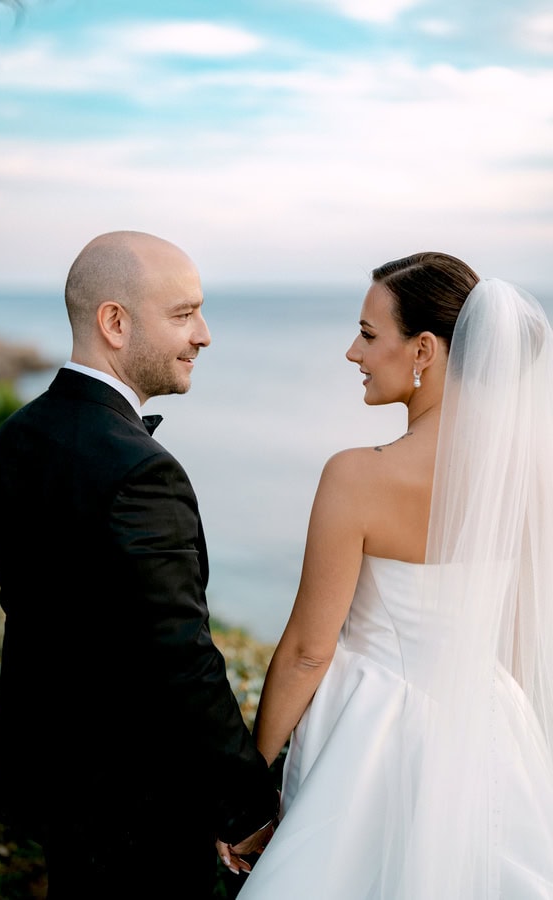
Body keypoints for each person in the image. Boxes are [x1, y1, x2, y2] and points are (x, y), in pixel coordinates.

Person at [234, 252, 553, 899]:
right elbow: (521, 633)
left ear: (425, 351)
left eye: (370, 334)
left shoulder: (358, 476)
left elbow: (306, 651)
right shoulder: (525, 478)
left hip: (368, 737)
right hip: (490, 730)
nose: (354, 352)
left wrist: (250, 789)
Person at [0, 230, 278, 899]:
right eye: (183, 314)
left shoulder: (15, 438)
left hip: (56, 784)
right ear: (115, 322)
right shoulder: (141, 472)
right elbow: (182, 660)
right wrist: (250, 808)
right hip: (141, 808)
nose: (204, 335)